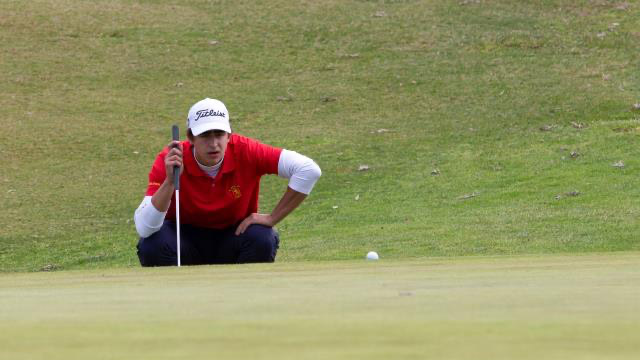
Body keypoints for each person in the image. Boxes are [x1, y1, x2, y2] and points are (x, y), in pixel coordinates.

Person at [134, 98, 321, 266]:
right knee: (152, 244)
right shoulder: (170, 159)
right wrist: (170, 181)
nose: (214, 143)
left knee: (262, 237)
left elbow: (308, 170)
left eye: (219, 134)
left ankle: (243, 299)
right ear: (190, 137)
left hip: (233, 237)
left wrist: (272, 218)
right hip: (183, 240)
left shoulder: (246, 150)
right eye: (205, 135)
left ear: (229, 135)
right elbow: (144, 227)